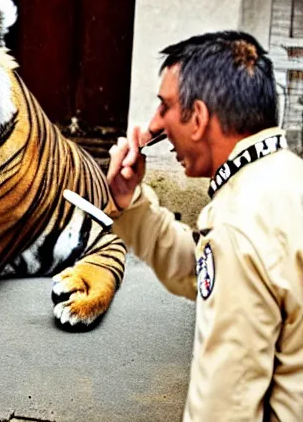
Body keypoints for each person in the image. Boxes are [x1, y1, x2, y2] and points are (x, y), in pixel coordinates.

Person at [107, 30, 303, 421]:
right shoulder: (286, 179)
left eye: (163, 107)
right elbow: (203, 273)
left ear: (197, 118)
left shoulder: (237, 223)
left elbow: (223, 408)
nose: (153, 126)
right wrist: (132, 205)